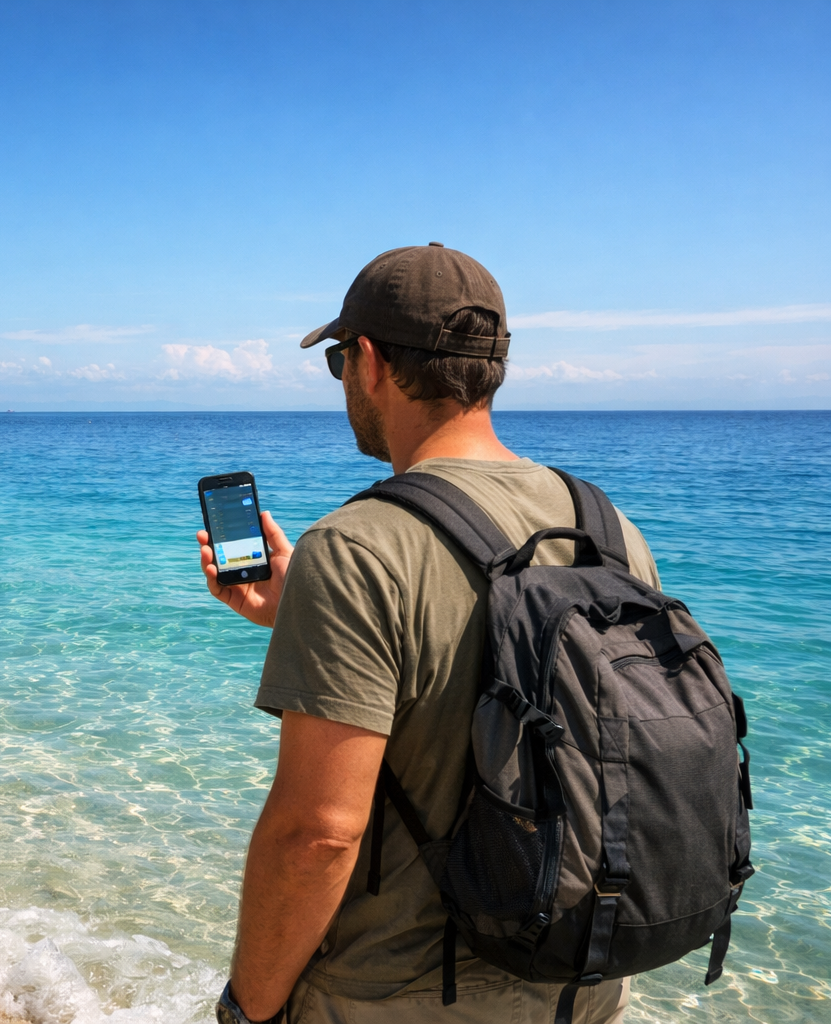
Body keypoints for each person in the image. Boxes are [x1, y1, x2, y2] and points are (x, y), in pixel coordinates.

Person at [199, 243, 656, 1024]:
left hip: (397, 1000)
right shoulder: (607, 527)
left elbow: (317, 835)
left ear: (368, 361)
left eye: (339, 358)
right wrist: (294, 612)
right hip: (580, 989)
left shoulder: (357, 545)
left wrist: (251, 1010)